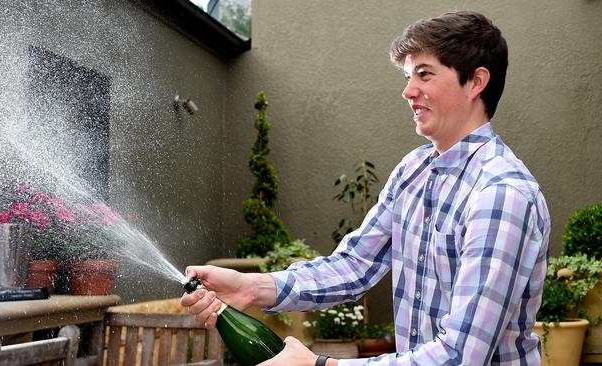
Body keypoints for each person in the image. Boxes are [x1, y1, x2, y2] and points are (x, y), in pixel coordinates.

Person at [181, 10, 550, 366]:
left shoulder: (501, 193)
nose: (408, 91)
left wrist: (321, 365)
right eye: (408, 76)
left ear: (475, 82)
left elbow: (460, 356)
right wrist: (252, 287)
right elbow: (355, 265)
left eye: (424, 74)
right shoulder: (414, 170)